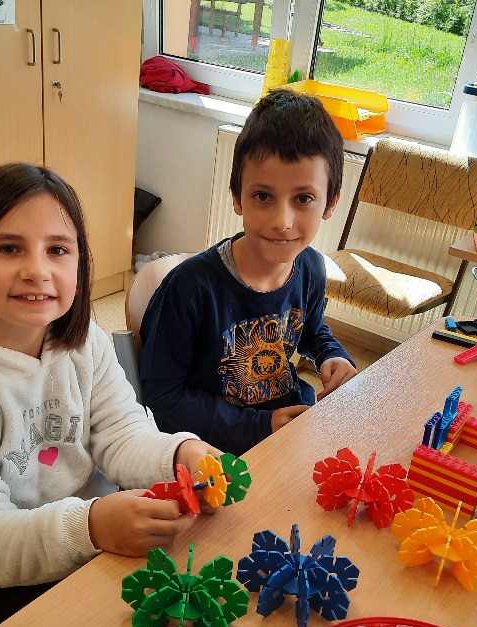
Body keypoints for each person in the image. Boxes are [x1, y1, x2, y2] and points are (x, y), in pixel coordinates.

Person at [0, 163, 217, 627]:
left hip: (91, 535)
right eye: (8, 248)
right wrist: (92, 527)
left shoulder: (85, 342)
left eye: (58, 250)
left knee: (176, 625)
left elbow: (122, 435)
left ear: (79, 267)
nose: (37, 270)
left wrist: (178, 455)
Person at [138, 88, 358, 456]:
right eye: (263, 196)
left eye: (303, 198)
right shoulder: (189, 288)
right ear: (237, 197)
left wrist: (331, 354)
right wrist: (259, 426)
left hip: (288, 426)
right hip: (212, 451)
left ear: (330, 203)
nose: (282, 221)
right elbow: (161, 396)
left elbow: (311, 328)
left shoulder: (311, 267)